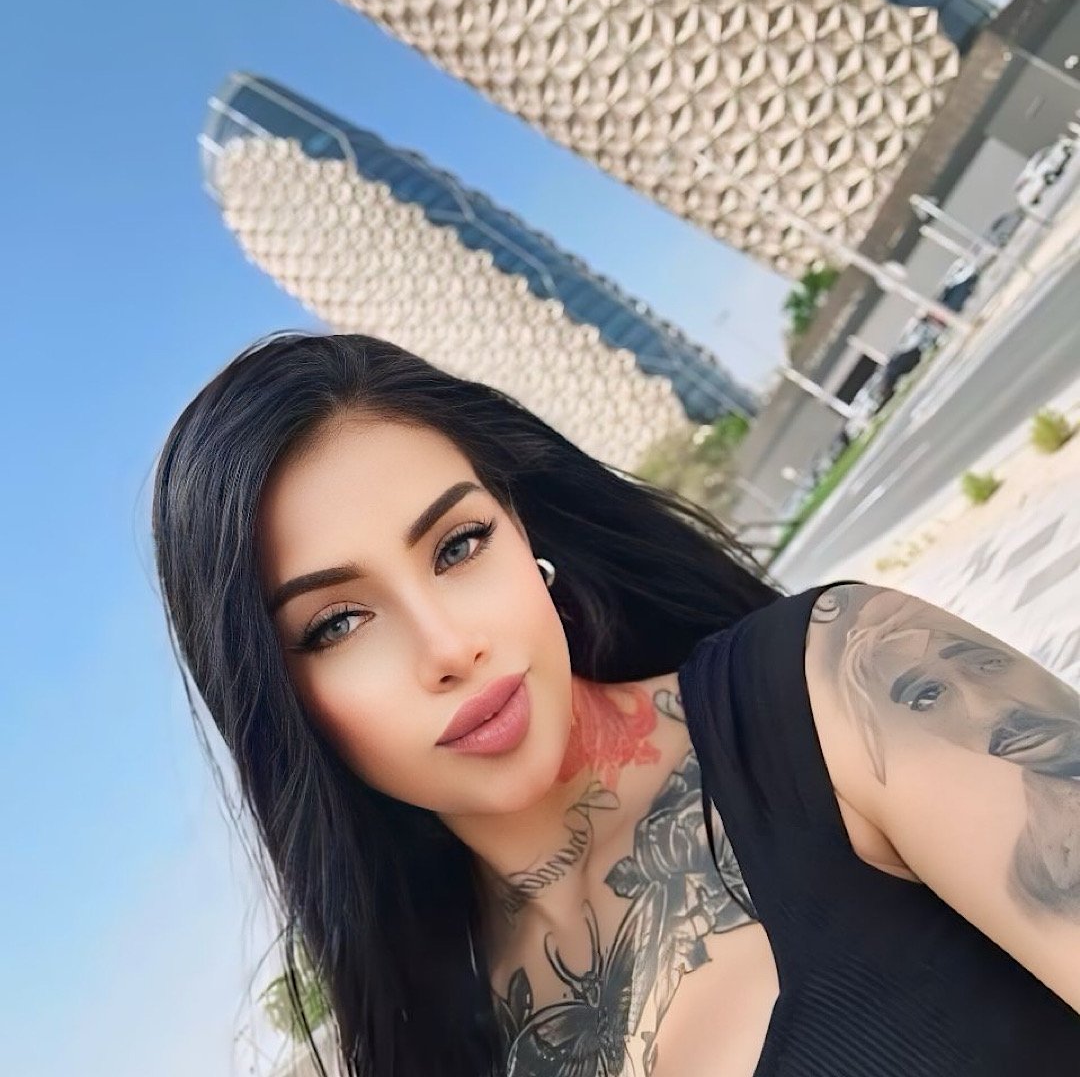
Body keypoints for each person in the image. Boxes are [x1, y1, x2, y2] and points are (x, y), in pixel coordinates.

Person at [152, 333, 1080, 1077]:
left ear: (524, 535)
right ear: (285, 710)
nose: (447, 647)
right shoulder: (433, 1042)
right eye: (338, 623)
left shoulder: (845, 691)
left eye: (459, 545)